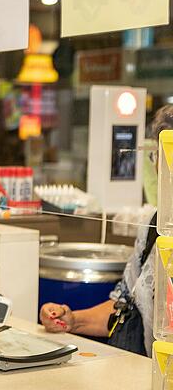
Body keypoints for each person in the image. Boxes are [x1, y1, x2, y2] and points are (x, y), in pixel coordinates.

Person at [40, 105, 173, 356]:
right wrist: (71, 320)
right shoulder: (153, 227)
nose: (160, 166)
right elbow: (124, 306)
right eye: (157, 155)